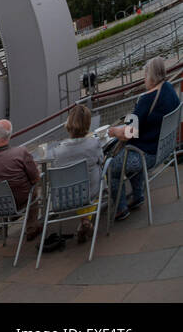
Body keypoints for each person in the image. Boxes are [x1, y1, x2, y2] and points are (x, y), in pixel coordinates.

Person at [107, 56, 179, 220]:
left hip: (146, 156)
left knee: (112, 165)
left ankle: (120, 208)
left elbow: (127, 134)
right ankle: (137, 195)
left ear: (151, 76)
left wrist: (112, 131)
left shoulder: (146, 99)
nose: (144, 79)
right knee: (130, 154)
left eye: (145, 75)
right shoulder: (169, 89)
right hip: (164, 149)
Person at [0, 118, 43, 240]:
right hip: (20, 203)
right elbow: (35, 178)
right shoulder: (20, 153)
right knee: (33, 191)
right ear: (9, 136)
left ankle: (2, 230)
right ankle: (32, 227)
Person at [50, 104, 104, 243]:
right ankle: (87, 221)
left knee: (77, 185)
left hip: (68, 195)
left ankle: (84, 221)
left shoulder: (58, 151)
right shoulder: (93, 144)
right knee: (95, 177)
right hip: (92, 191)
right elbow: (101, 160)